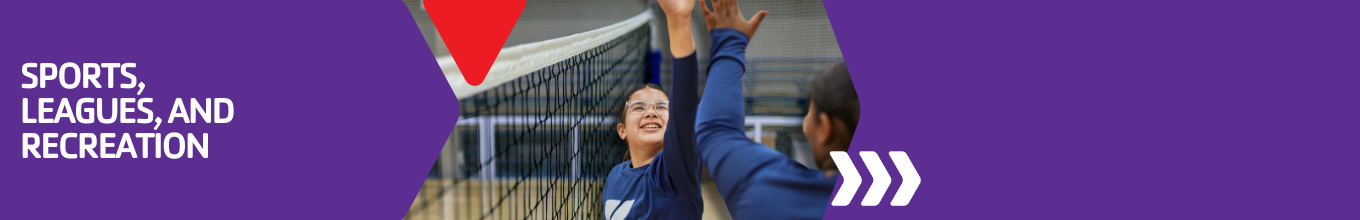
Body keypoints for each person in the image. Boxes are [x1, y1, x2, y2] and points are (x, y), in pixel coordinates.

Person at [695, 0, 860, 219]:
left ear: (826, 128)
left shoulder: (769, 193)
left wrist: (729, 41)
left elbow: (715, 129)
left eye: (810, 111)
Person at [600, 0, 704, 219]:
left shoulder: (675, 172)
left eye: (661, 107)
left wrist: (679, 19)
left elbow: (685, 106)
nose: (651, 112)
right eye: (638, 107)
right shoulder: (615, 176)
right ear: (622, 130)